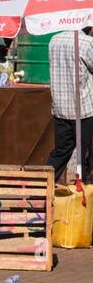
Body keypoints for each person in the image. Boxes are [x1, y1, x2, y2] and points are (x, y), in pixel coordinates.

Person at [45, 26, 93, 181]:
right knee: (85, 153)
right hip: (83, 109)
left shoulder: (54, 40)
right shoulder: (87, 42)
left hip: (60, 107)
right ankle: (85, 189)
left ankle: (41, 186)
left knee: (61, 151)